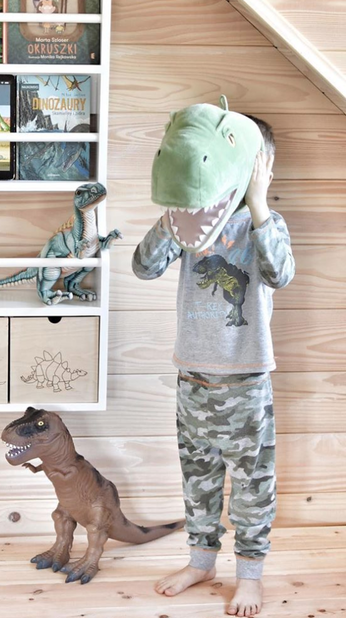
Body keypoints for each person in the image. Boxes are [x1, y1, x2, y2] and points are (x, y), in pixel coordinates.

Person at [132, 115, 295, 617]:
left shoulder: (266, 224)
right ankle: (201, 563)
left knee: (252, 486)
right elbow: (143, 266)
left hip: (246, 382)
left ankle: (249, 575)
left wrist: (259, 204)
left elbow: (279, 273)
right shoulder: (191, 224)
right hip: (193, 380)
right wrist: (176, 209)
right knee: (198, 481)